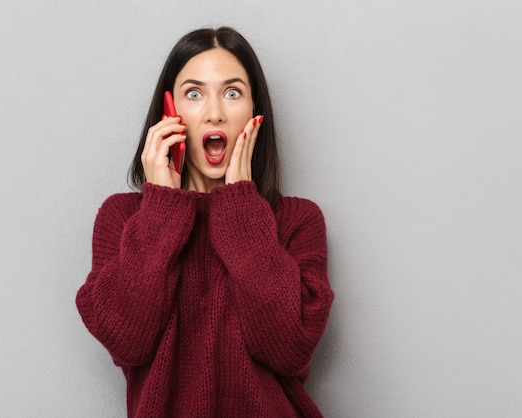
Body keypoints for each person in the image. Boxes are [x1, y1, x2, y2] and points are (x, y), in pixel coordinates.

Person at [75, 26, 334, 418]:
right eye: (194, 94)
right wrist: (161, 208)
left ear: (254, 111)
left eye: (233, 93)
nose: (215, 112)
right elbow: (126, 340)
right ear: (169, 112)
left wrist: (242, 209)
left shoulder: (297, 221)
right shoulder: (124, 217)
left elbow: (289, 347)